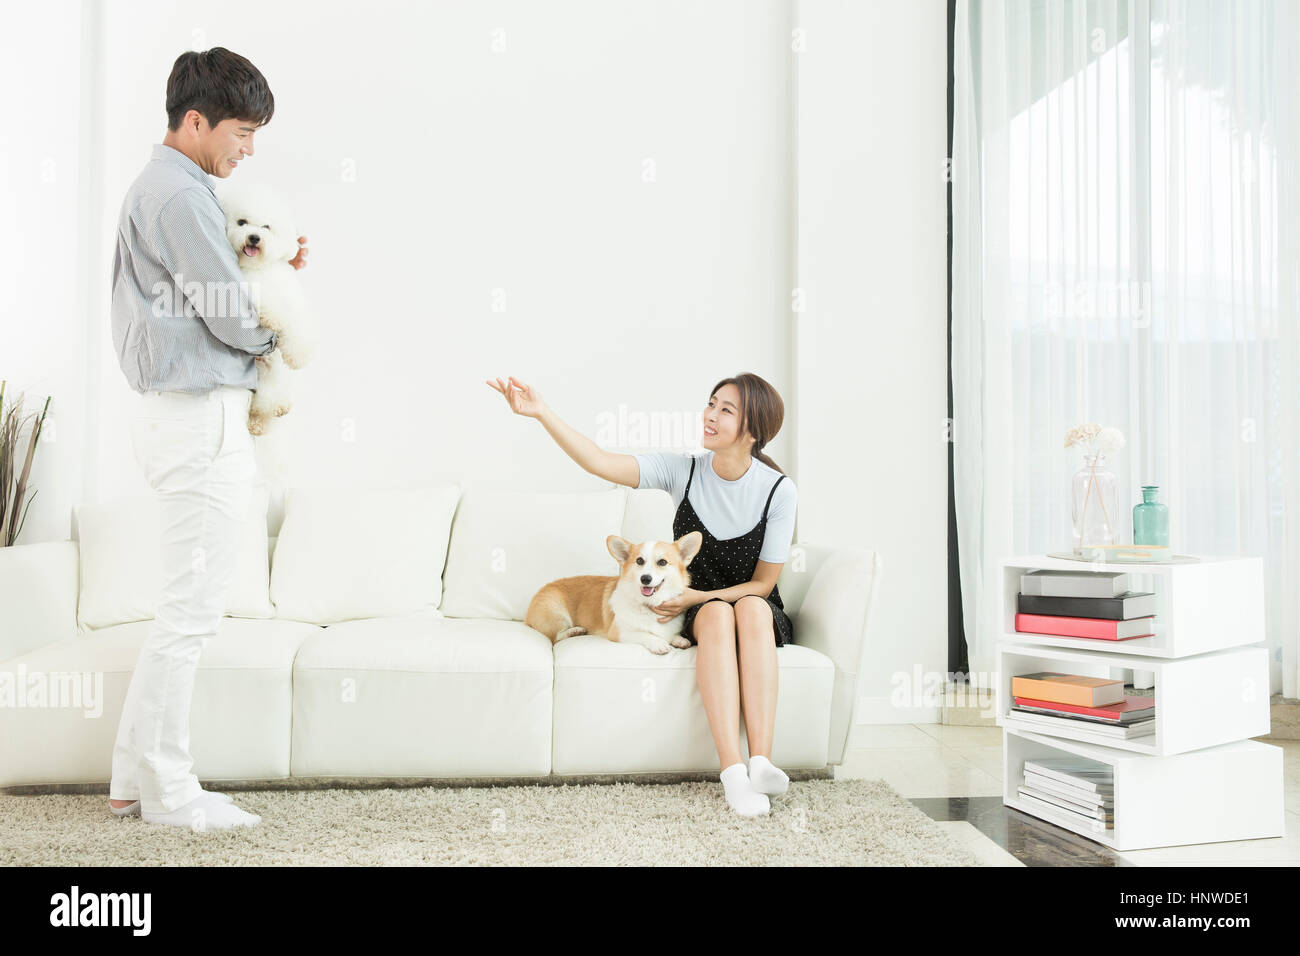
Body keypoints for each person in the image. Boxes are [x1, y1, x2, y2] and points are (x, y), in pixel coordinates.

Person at [107, 48, 308, 830]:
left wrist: (273, 268)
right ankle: (170, 792)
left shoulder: (171, 190)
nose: (248, 149)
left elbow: (215, 291)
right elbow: (231, 314)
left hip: (187, 414)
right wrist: (276, 320)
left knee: (182, 607)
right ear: (196, 121)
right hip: (197, 417)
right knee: (190, 612)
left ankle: (133, 779)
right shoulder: (180, 198)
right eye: (242, 131)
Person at [488, 372, 797, 816]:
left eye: (725, 410)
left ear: (752, 430)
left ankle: (762, 761)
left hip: (753, 606)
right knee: (714, 615)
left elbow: (764, 585)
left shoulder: (778, 491)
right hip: (696, 609)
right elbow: (599, 460)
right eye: (711, 403)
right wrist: (541, 414)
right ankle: (733, 772)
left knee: (747, 607)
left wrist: (699, 598)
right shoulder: (683, 470)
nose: (710, 414)